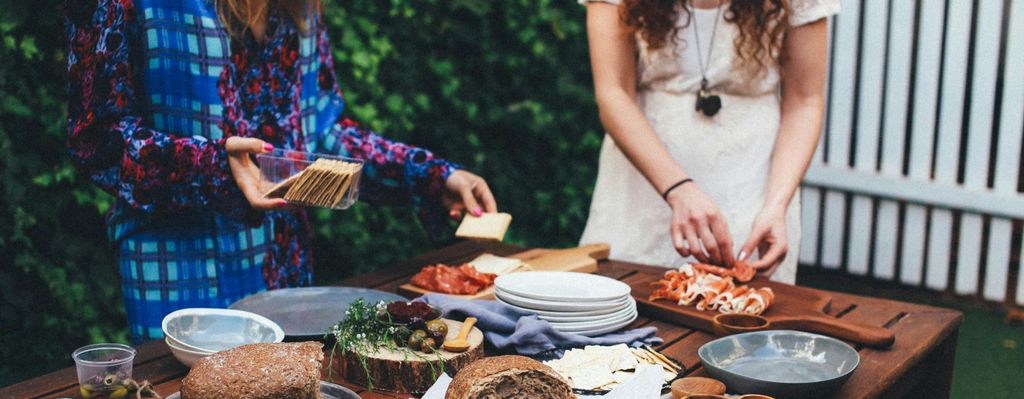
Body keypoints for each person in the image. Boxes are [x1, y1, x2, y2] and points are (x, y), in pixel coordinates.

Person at [65, 0, 497, 342]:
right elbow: (96, 140)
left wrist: (431, 175)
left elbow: (321, 133)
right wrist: (211, 163)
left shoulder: (299, 6)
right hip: (182, 280)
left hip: (289, 281)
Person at [578, 0, 837, 282]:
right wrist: (678, 189)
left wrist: (777, 205)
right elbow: (614, 94)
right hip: (641, 191)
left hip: (753, 193)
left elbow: (805, 101)